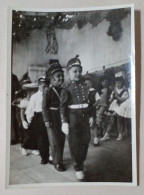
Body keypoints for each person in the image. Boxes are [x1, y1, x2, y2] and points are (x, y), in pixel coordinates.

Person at [60, 55, 93, 180]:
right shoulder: (66, 89)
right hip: (73, 118)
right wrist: (64, 122)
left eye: (80, 71)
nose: (78, 74)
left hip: (84, 117)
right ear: (68, 73)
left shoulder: (85, 87)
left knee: (85, 140)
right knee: (75, 143)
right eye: (75, 71)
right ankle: (78, 167)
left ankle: (81, 161)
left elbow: (89, 104)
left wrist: (91, 117)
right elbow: (63, 106)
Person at [42, 62, 65, 171]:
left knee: (61, 139)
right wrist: (46, 119)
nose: (61, 78)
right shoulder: (48, 90)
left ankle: (54, 158)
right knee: (54, 141)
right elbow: (44, 107)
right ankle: (58, 162)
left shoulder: (64, 90)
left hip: (61, 118)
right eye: (58, 76)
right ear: (51, 79)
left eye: (62, 76)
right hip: (52, 118)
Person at [26, 76, 51, 164]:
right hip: (39, 117)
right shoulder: (34, 96)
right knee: (41, 138)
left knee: (49, 137)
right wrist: (29, 119)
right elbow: (30, 109)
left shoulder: (50, 95)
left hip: (48, 115)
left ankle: (50, 155)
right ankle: (44, 157)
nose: (45, 88)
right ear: (39, 86)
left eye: (46, 86)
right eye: (43, 87)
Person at [100, 76, 129, 141]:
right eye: (116, 83)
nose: (118, 84)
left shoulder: (125, 91)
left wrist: (117, 96)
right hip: (113, 107)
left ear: (122, 83)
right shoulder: (114, 91)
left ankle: (120, 134)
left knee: (119, 120)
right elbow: (110, 99)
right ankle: (106, 134)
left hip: (121, 107)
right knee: (111, 120)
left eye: (119, 83)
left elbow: (123, 100)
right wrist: (111, 99)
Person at [84, 75, 100, 146]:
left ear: (91, 83)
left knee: (93, 124)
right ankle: (86, 138)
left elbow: (98, 101)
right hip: (85, 110)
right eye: (85, 84)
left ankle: (96, 139)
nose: (86, 85)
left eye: (88, 84)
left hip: (91, 109)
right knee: (85, 125)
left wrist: (93, 106)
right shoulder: (84, 92)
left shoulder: (94, 91)